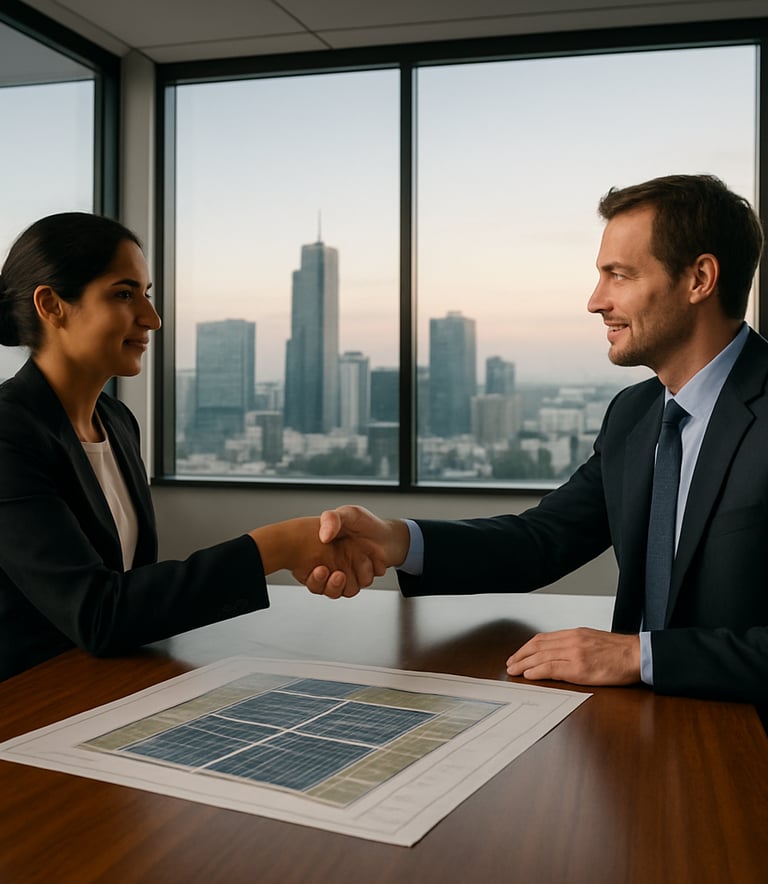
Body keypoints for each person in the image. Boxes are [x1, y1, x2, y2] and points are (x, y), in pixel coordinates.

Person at [311, 174, 768, 710]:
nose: (596, 300)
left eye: (617, 275)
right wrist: (397, 541)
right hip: (639, 730)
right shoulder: (634, 415)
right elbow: (541, 540)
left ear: (700, 279)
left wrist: (639, 656)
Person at [0, 212, 371, 681]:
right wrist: (271, 549)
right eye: (123, 294)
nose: (151, 318)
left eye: (147, 294)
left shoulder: (117, 423)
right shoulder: (9, 432)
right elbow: (98, 613)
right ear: (51, 305)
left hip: (103, 688)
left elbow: (134, 599)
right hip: (27, 704)